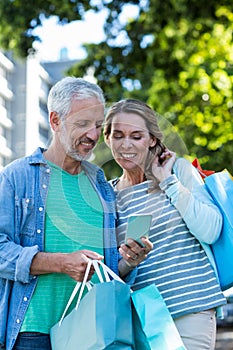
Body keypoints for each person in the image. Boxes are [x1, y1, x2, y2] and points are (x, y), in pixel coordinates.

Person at [0, 79, 152, 350]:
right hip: (34, 334)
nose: (93, 135)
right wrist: (60, 263)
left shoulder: (101, 185)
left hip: (95, 333)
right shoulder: (17, 177)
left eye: (97, 124)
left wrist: (128, 261)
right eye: (82, 123)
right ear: (55, 120)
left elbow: (108, 267)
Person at [104, 98, 226, 350]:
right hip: (142, 318)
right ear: (107, 139)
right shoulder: (107, 195)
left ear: (151, 139)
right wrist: (127, 262)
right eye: (118, 135)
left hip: (191, 308)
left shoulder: (178, 171)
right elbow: (108, 270)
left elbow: (211, 229)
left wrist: (167, 182)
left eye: (136, 136)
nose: (126, 144)